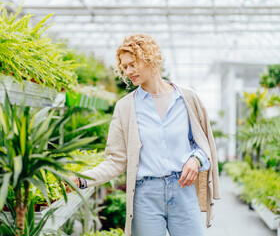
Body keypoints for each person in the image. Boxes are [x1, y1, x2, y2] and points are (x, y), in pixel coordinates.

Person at [68, 33, 220, 236]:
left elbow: (205, 145)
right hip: (145, 196)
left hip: (183, 191)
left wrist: (196, 160)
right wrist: (82, 179)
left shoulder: (187, 99)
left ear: (149, 58)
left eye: (133, 64)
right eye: (124, 67)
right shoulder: (125, 107)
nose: (129, 72)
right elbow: (115, 160)